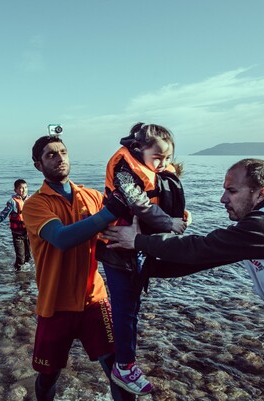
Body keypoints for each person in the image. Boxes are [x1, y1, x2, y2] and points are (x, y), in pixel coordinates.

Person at [101, 158, 264, 401]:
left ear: (261, 194)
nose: (222, 199)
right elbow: (202, 259)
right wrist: (135, 264)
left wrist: (139, 241)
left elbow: (203, 248)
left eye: (232, 191)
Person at [22, 134, 135, 401]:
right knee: (49, 374)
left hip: (94, 299)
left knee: (119, 369)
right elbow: (62, 238)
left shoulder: (92, 196)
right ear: (38, 165)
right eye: (51, 154)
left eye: (63, 152)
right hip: (55, 304)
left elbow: (124, 227)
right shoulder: (35, 204)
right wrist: (110, 212)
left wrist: (169, 218)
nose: (59, 158)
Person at [96, 122, 190, 395]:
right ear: (138, 149)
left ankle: (129, 362)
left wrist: (180, 217)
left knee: (133, 308)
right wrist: (170, 224)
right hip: (117, 248)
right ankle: (123, 367)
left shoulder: (153, 168)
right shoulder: (125, 171)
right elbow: (140, 205)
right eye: (157, 158)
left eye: (167, 158)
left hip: (137, 247)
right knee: (124, 310)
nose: (162, 164)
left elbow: (163, 197)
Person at [0, 179, 32, 270]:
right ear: (16, 190)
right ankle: (17, 274)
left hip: (28, 233)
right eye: (21, 188)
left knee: (28, 257)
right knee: (21, 259)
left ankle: (25, 278)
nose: (24, 190)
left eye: (25, 187)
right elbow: (2, 215)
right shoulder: (12, 202)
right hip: (17, 234)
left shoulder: (31, 200)